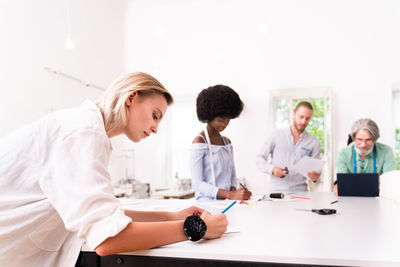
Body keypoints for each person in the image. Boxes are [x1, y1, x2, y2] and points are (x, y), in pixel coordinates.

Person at [0, 72, 228, 267]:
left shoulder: (87, 129)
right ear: (131, 98)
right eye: (155, 115)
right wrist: (198, 228)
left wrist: (171, 216)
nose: (156, 128)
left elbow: (107, 217)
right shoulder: (82, 132)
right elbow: (108, 239)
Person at [190, 85, 252, 201]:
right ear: (209, 116)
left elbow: (232, 176)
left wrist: (237, 193)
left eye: (228, 120)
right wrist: (230, 194)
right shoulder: (199, 141)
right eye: (221, 120)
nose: (225, 124)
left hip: (226, 203)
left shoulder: (227, 142)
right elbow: (197, 184)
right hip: (206, 204)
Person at [256, 101, 321, 192]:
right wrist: (272, 169)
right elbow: (259, 159)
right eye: (301, 117)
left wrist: (315, 178)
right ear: (294, 114)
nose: (303, 121)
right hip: (276, 191)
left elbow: (316, 176)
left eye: (307, 119)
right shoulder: (276, 135)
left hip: (301, 192)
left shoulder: (313, 142)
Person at [333, 118, 396, 195]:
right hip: (351, 200)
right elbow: (342, 183)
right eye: (359, 139)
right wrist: (338, 186)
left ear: (375, 139)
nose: (363, 145)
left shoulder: (386, 151)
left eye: (368, 140)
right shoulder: (343, 153)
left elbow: (389, 182)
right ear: (354, 138)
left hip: (379, 199)